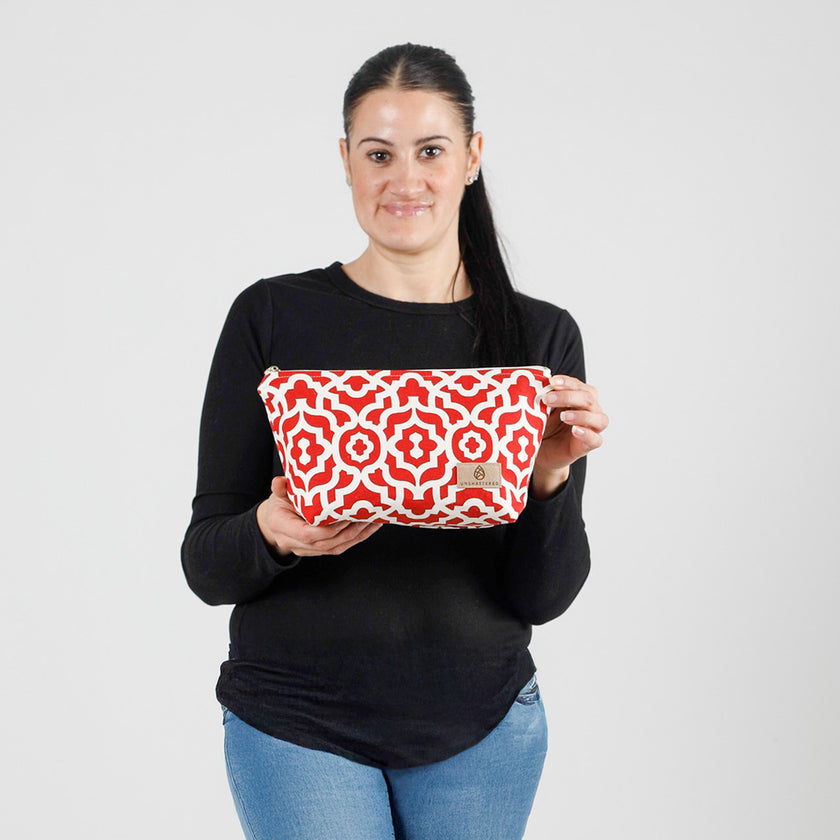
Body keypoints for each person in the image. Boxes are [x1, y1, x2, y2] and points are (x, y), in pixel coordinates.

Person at [181, 42, 608, 840]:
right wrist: (273, 533)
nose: (404, 180)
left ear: (473, 157)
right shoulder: (270, 317)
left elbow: (543, 598)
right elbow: (206, 561)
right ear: (345, 161)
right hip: (295, 721)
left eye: (431, 150)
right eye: (378, 153)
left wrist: (547, 477)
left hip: (483, 730)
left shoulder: (540, 336)